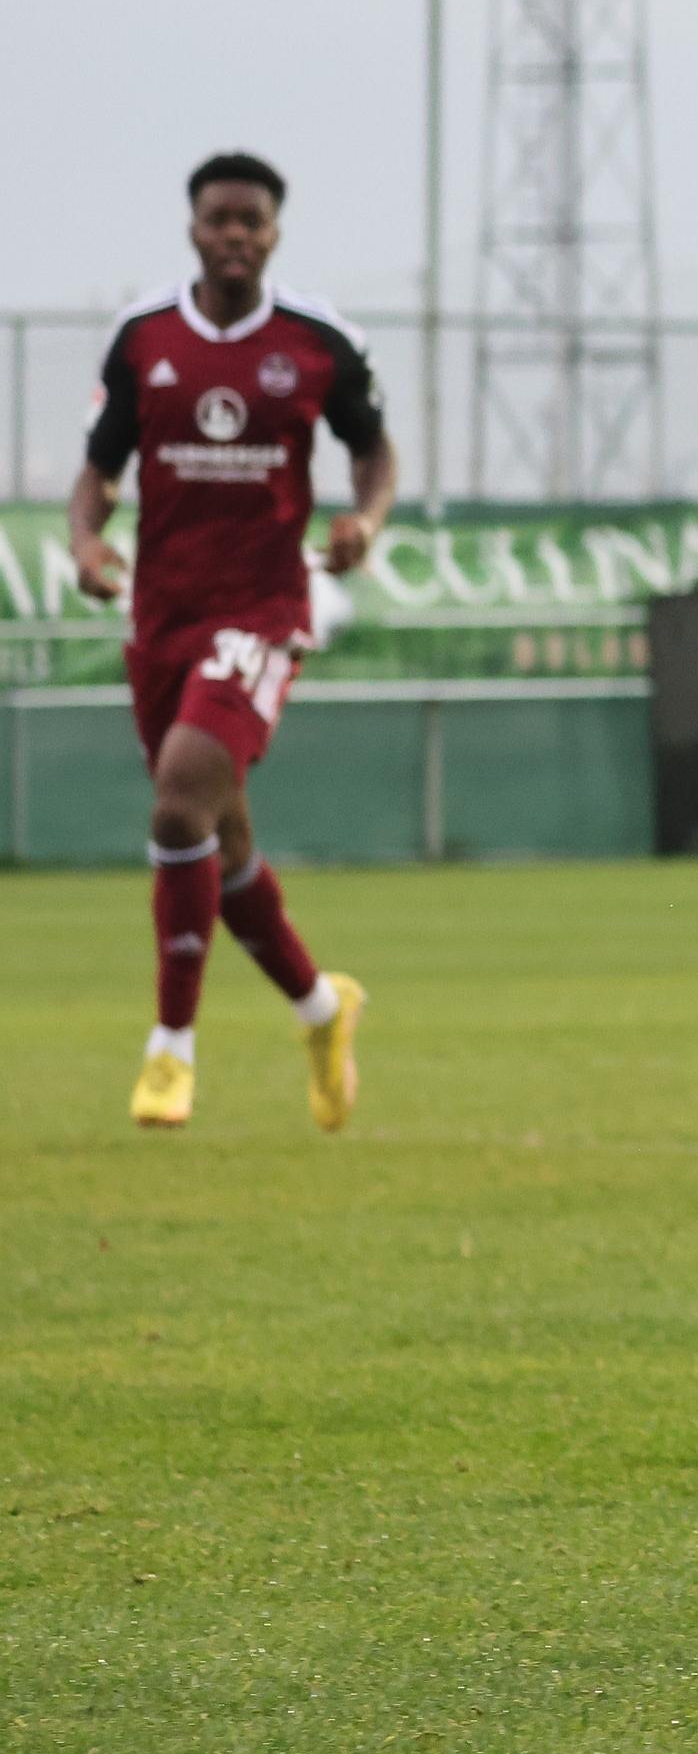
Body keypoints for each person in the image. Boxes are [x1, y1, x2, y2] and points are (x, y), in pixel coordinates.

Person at [68, 152, 387, 1131]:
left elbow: (371, 449)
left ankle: (172, 1050)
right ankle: (322, 1008)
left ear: (275, 232)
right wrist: (85, 541)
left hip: (260, 611)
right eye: (221, 219)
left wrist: (364, 519)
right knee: (220, 837)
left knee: (176, 806)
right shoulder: (145, 340)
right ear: (194, 228)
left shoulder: (317, 342)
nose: (237, 235)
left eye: (254, 220)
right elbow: (98, 468)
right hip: (161, 617)